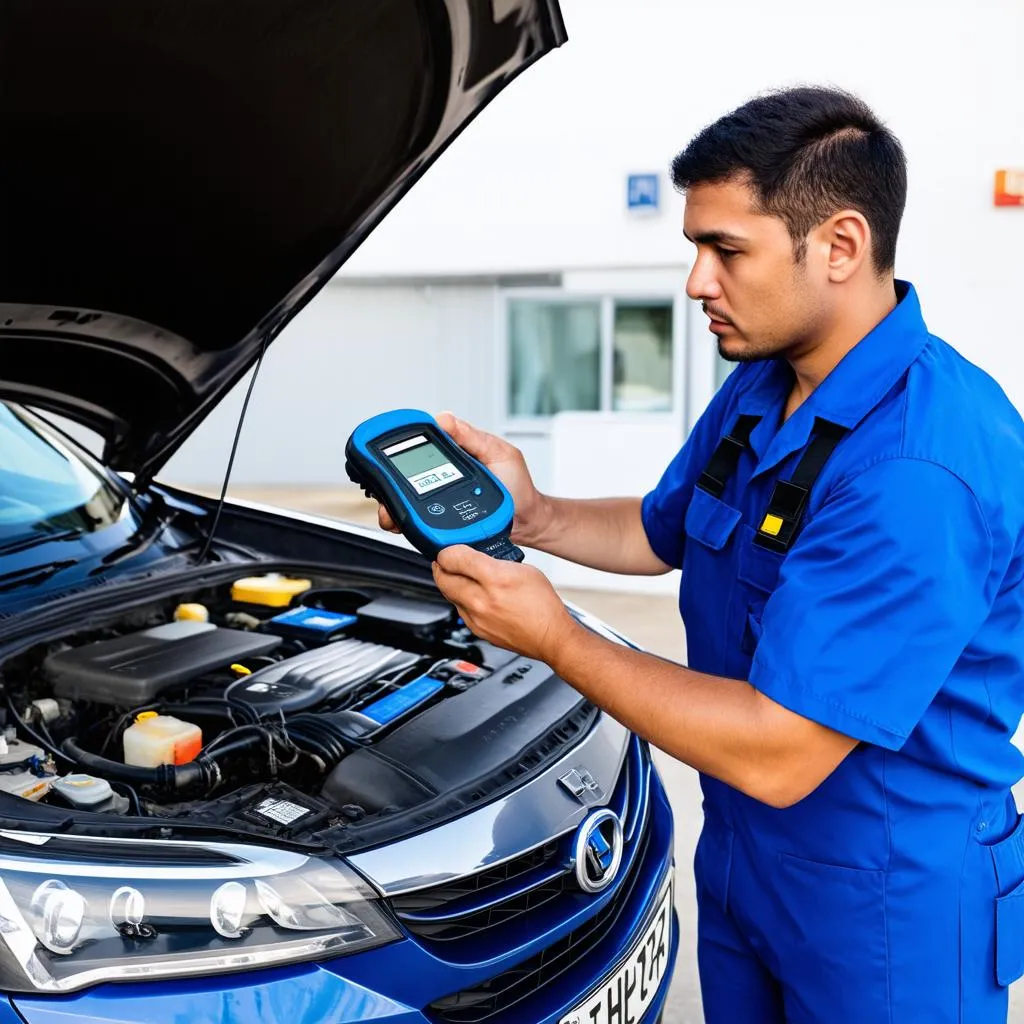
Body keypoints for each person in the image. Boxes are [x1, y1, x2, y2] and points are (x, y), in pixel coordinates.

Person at [376, 86, 1024, 1022]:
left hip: (889, 909)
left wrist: (557, 637)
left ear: (839, 246)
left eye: (726, 250)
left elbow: (778, 749)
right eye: (695, 248)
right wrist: (538, 510)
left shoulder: (923, 465)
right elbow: (661, 529)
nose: (696, 282)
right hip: (744, 870)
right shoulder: (766, 386)